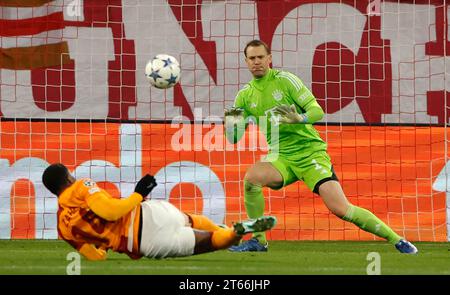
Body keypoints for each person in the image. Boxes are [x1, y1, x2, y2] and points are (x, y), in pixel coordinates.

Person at [224, 39, 418, 254]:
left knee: (341, 209)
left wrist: (299, 118)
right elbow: (233, 138)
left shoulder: (286, 81)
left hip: (310, 154)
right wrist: (231, 122)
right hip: (281, 157)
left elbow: (317, 111)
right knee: (252, 180)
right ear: (246, 62)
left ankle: (397, 240)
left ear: (269, 59)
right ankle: (259, 240)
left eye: (261, 57)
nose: (257, 62)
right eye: (252, 58)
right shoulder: (244, 96)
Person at [42, 163, 277, 260]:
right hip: (150, 212)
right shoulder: (81, 186)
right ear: (69, 176)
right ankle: (230, 228)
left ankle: (234, 233)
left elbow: (95, 256)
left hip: (145, 240)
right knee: (190, 219)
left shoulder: (62, 227)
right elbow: (111, 211)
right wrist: (138, 194)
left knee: (213, 242)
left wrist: (105, 243)